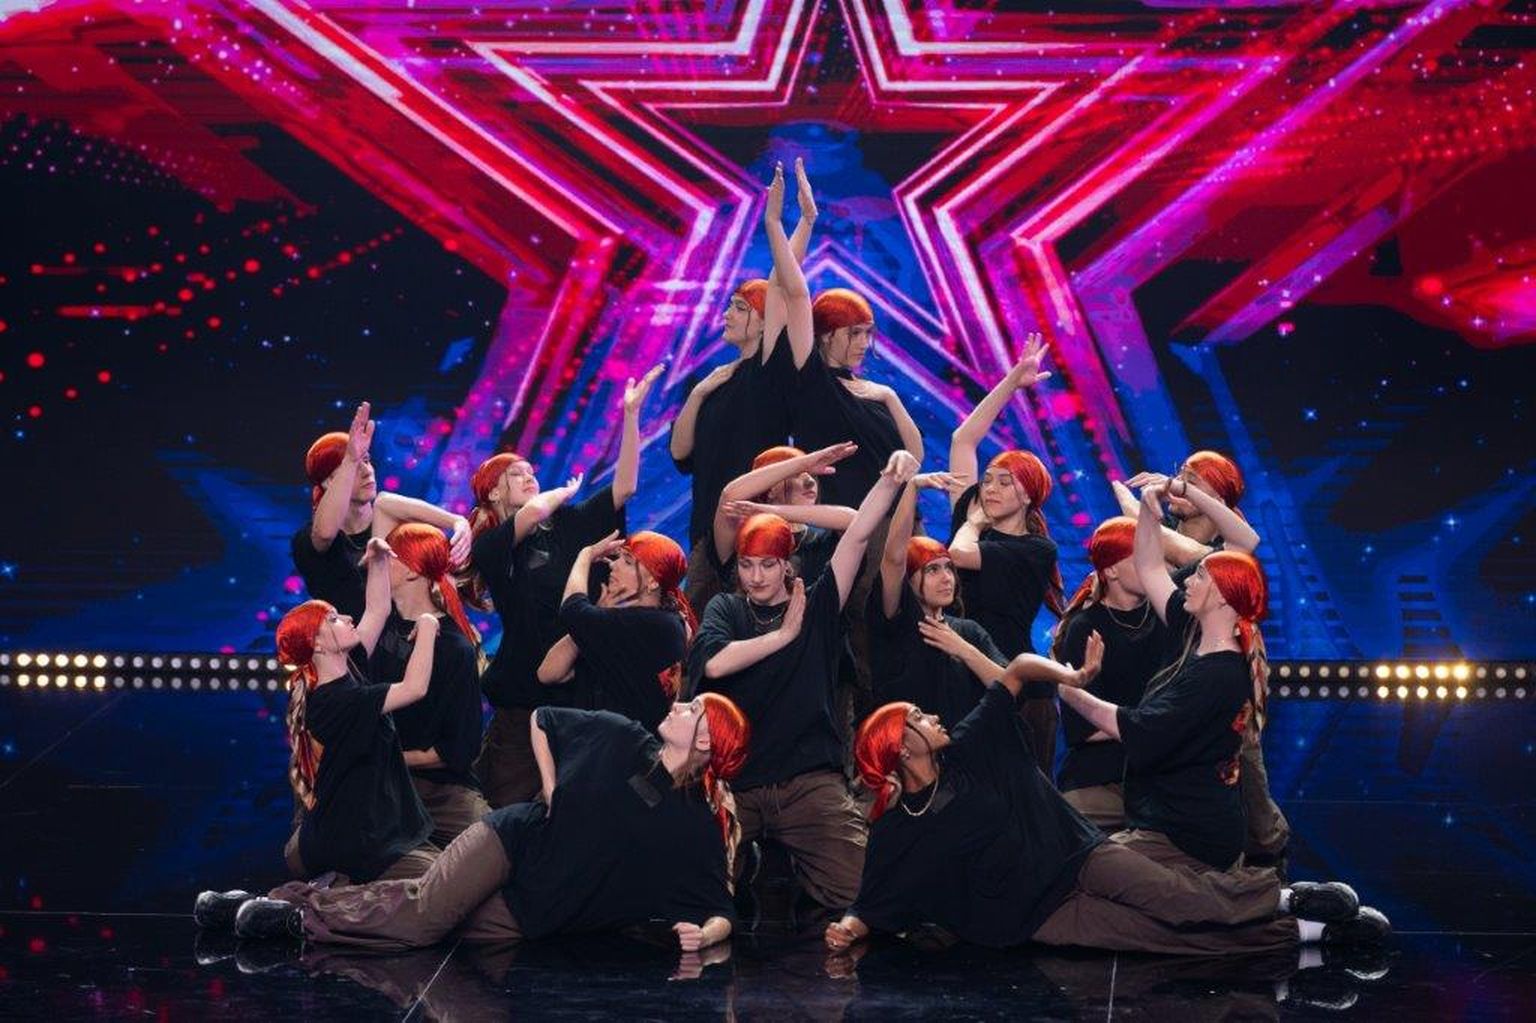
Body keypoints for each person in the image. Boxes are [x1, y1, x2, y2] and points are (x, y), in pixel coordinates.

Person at [823, 640, 1390, 956]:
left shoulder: (972, 747)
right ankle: (1315, 933)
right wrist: (849, 927)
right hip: (1042, 913)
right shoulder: (900, 827)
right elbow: (875, 897)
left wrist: (1071, 677)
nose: (933, 716)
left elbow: (1018, 669)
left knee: (1179, 898)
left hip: (1078, 855)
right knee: (1167, 939)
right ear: (900, 747)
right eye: (919, 718)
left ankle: (1289, 898)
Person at [196, 695, 750, 954]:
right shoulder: (623, 735)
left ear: (705, 740)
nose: (678, 705)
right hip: (510, 842)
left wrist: (704, 935)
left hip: (537, 911)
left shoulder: (692, 826)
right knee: (422, 919)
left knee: (425, 911)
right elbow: (543, 718)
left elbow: (720, 909)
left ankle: (291, 898)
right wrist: (551, 789)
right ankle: (295, 919)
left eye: (692, 710)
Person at [689, 449, 921, 911]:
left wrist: (891, 478)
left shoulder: (816, 606)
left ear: (787, 565)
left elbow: (857, 533)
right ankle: (746, 868)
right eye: (747, 565)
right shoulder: (727, 609)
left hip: (807, 781)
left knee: (869, 896)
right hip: (739, 781)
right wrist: (782, 637)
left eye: (767, 565)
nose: (756, 577)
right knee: (695, 896)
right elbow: (714, 665)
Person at [1055, 484, 1276, 875]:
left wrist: (1067, 687)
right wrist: (1146, 508)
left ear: (1221, 597)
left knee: (1093, 876)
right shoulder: (1186, 627)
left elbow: (1140, 727)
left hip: (1190, 827)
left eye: (1199, 576)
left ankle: (1256, 897)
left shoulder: (1216, 672)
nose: (1185, 580)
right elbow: (1151, 566)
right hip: (1163, 808)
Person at [469, 366, 660, 807]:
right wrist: (563, 491)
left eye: (531, 471)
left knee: (585, 805)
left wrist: (631, 416)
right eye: (516, 474)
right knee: (509, 809)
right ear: (493, 494)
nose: (529, 477)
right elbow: (534, 512)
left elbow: (624, 487)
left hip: (583, 690)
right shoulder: (494, 547)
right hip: (524, 701)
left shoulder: (570, 523)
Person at [1114, 452, 1289, 863]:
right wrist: (1147, 509)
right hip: (1178, 675)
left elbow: (1233, 543)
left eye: (1194, 480)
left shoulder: (1223, 560)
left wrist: (1171, 494)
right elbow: (1151, 559)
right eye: (1181, 474)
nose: (1178, 481)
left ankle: (1266, 865)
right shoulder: (1180, 562)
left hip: (1218, 685)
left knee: (1247, 787)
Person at [671, 162, 816, 609]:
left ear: (761, 320)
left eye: (738, 308)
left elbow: (782, 286)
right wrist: (698, 394)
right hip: (706, 532)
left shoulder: (767, 371)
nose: (727, 315)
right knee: (701, 628)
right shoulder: (712, 383)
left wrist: (798, 222)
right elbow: (680, 453)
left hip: (754, 527)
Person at [276, 537, 441, 884]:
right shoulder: (336, 700)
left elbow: (377, 610)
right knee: (443, 880)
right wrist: (427, 627)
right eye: (334, 619)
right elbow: (415, 688)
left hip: (358, 829)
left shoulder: (345, 668)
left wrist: (378, 559)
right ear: (317, 643)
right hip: (352, 841)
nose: (348, 618)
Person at [947, 334, 1064, 774]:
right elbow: (963, 440)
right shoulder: (972, 518)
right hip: (962, 678)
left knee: (1024, 796)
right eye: (988, 480)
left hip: (1018, 688)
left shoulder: (1035, 549)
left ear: (1028, 496)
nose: (990, 489)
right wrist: (1013, 381)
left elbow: (961, 556)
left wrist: (974, 525)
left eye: (1004, 482)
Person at [292, 401, 471, 619]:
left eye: (367, 461)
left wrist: (458, 522)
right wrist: (350, 459)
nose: (367, 471)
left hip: (411, 633)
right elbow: (325, 533)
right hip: (354, 637)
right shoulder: (308, 541)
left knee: (384, 502)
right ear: (329, 482)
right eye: (354, 467)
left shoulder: (394, 520)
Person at [372, 523, 491, 847]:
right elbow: (385, 505)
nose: (382, 561)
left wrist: (387, 756)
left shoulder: (454, 648)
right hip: (383, 781)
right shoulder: (380, 621)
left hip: (438, 789)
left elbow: (459, 749)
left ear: (412, 571)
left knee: (488, 846)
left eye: (391, 555)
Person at [1049, 517, 1168, 830]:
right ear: (1111, 570)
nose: (1152, 566)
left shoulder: (1166, 616)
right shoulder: (1085, 628)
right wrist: (1155, 728)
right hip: (1102, 774)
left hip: (1162, 769)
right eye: (1141, 558)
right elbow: (1083, 728)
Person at [867, 471, 1006, 730]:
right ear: (907, 579)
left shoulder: (969, 631)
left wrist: (963, 649)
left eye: (948, 568)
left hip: (962, 748)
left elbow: (1009, 686)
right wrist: (912, 488)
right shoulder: (896, 622)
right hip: (907, 749)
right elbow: (894, 558)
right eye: (932, 570)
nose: (946, 578)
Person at [536, 530, 694, 729]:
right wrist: (592, 621)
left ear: (653, 582)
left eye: (627, 561)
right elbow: (547, 673)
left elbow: (571, 609)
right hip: (599, 742)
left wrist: (586, 555)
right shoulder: (617, 624)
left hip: (627, 745)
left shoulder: (660, 625)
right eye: (618, 557)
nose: (613, 565)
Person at [710, 443, 859, 591]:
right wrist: (805, 462)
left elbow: (854, 520)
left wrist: (771, 511)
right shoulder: (743, 537)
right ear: (770, 490)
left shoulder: (819, 540)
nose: (810, 482)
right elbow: (729, 496)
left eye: (812, 475)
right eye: (796, 475)